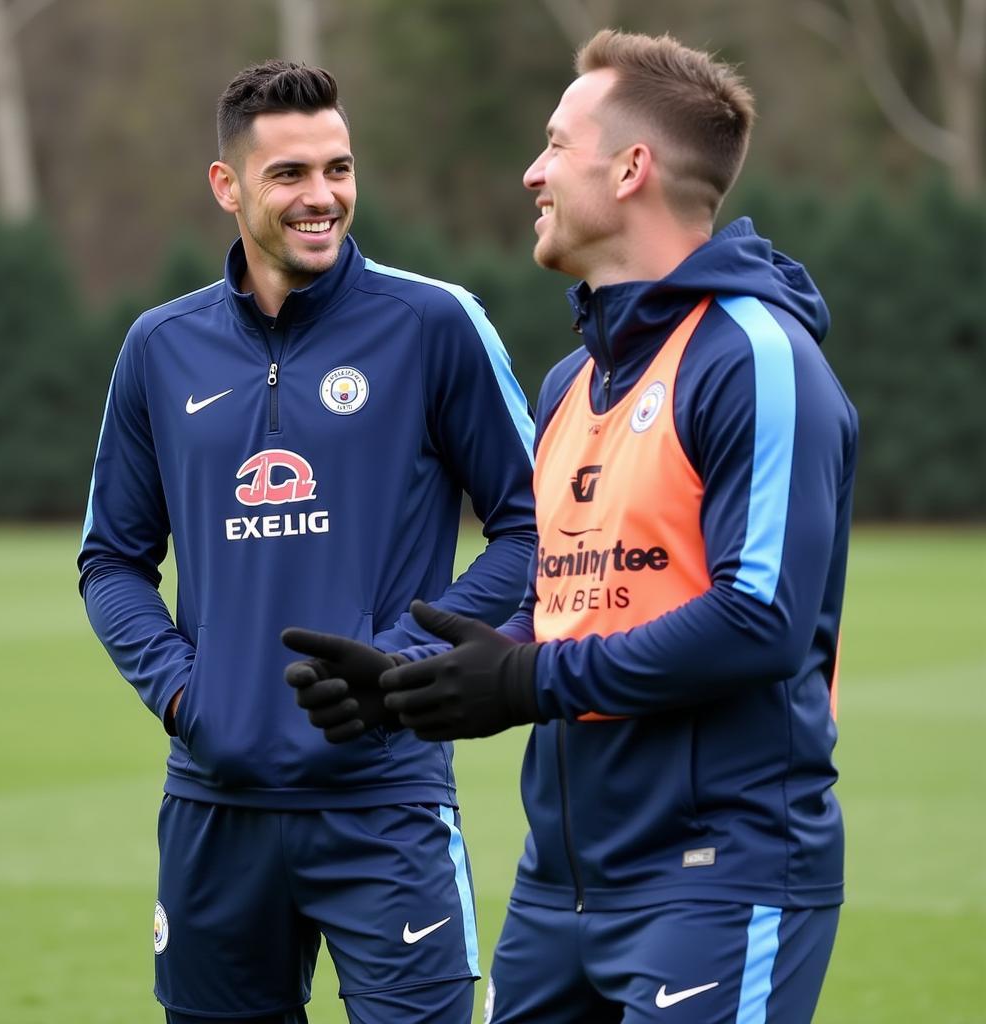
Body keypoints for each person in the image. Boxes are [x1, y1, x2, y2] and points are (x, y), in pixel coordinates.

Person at [287, 30, 858, 1024]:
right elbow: (579, 612)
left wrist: (525, 681)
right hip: (558, 885)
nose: (532, 170)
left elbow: (759, 619)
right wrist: (419, 686)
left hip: (719, 875)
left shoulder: (755, 358)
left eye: (556, 144)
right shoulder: (569, 384)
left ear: (631, 168)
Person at [77, 60, 536, 1024]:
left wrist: (404, 669)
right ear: (227, 185)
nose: (321, 197)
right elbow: (112, 559)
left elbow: (537, 530)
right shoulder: (160, 348)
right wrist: (180, 690)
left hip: (387, 803)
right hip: (215, 805)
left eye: (339, 168)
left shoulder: (434, 324)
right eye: (289, 174)